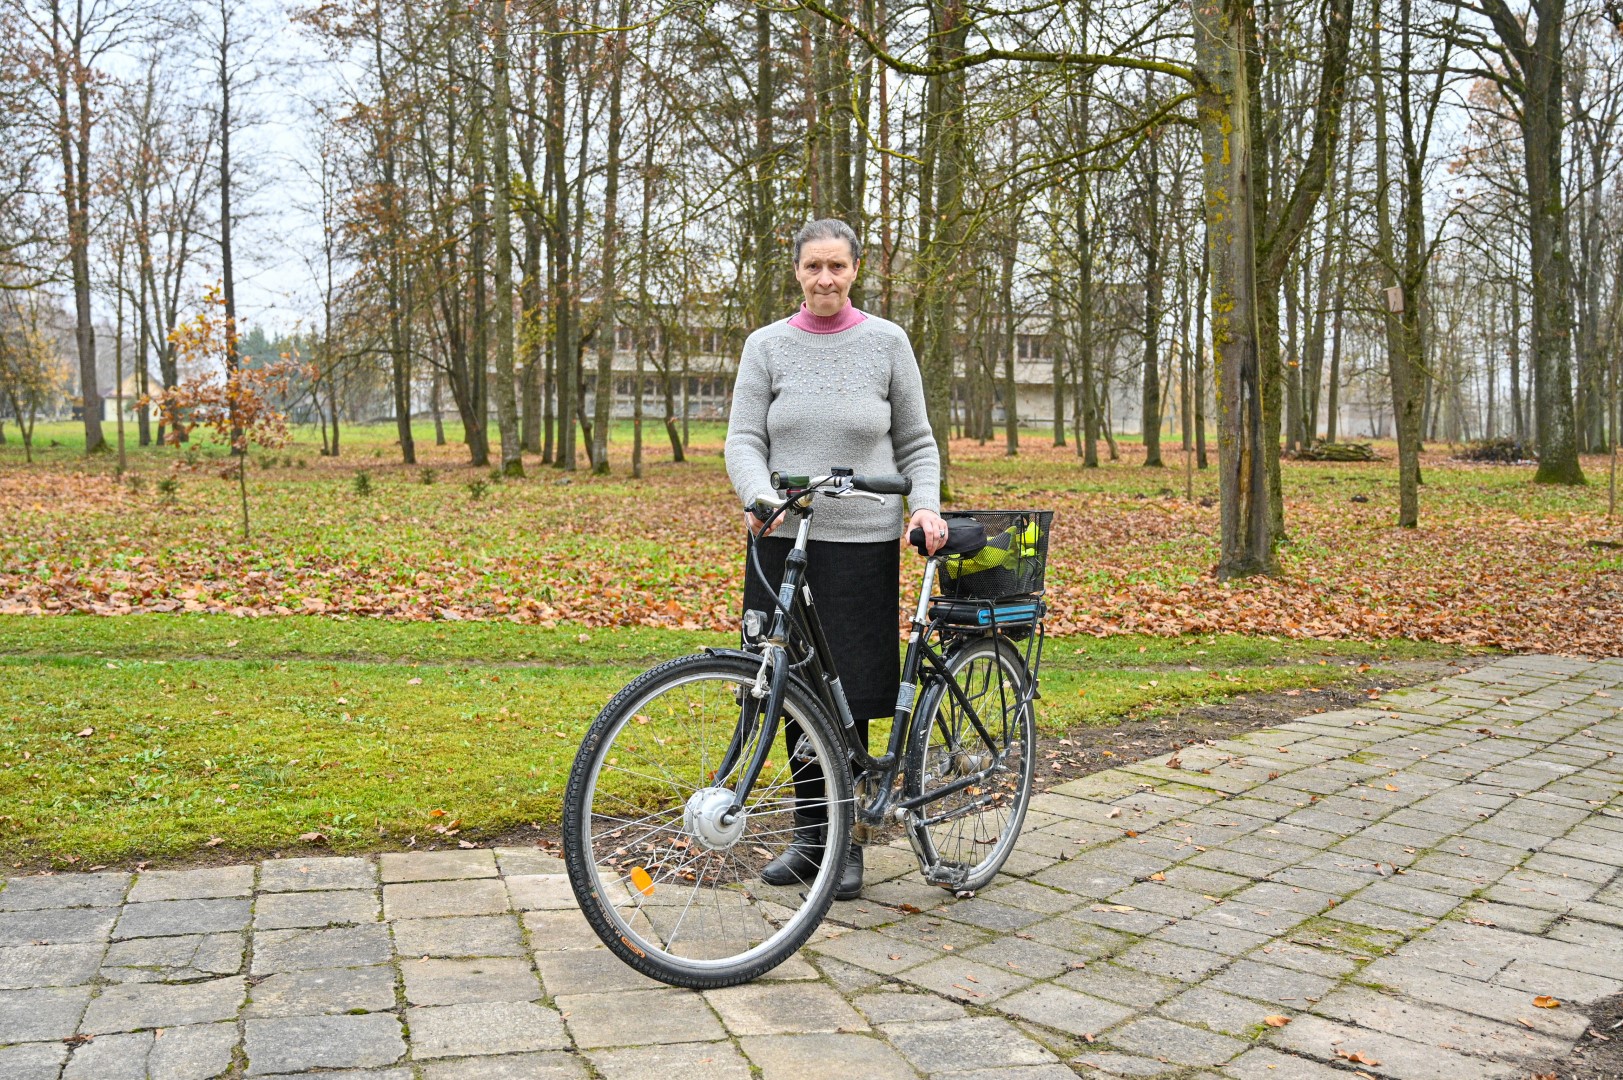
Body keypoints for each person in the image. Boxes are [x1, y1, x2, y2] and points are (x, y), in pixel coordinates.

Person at [725, 218, 949, 901]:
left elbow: (916, 441)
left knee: (848, 692)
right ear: (796, 271)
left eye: (837, 266)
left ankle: (845, 841)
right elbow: (743, 438)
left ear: (855, 270)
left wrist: (924, 506)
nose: (825, 278)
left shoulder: (887, 342)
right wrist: (759, 496)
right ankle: (809, 836)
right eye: (813, 266)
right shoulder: (766, 345)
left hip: (862, 542)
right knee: (787, 688)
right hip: (782, 539)